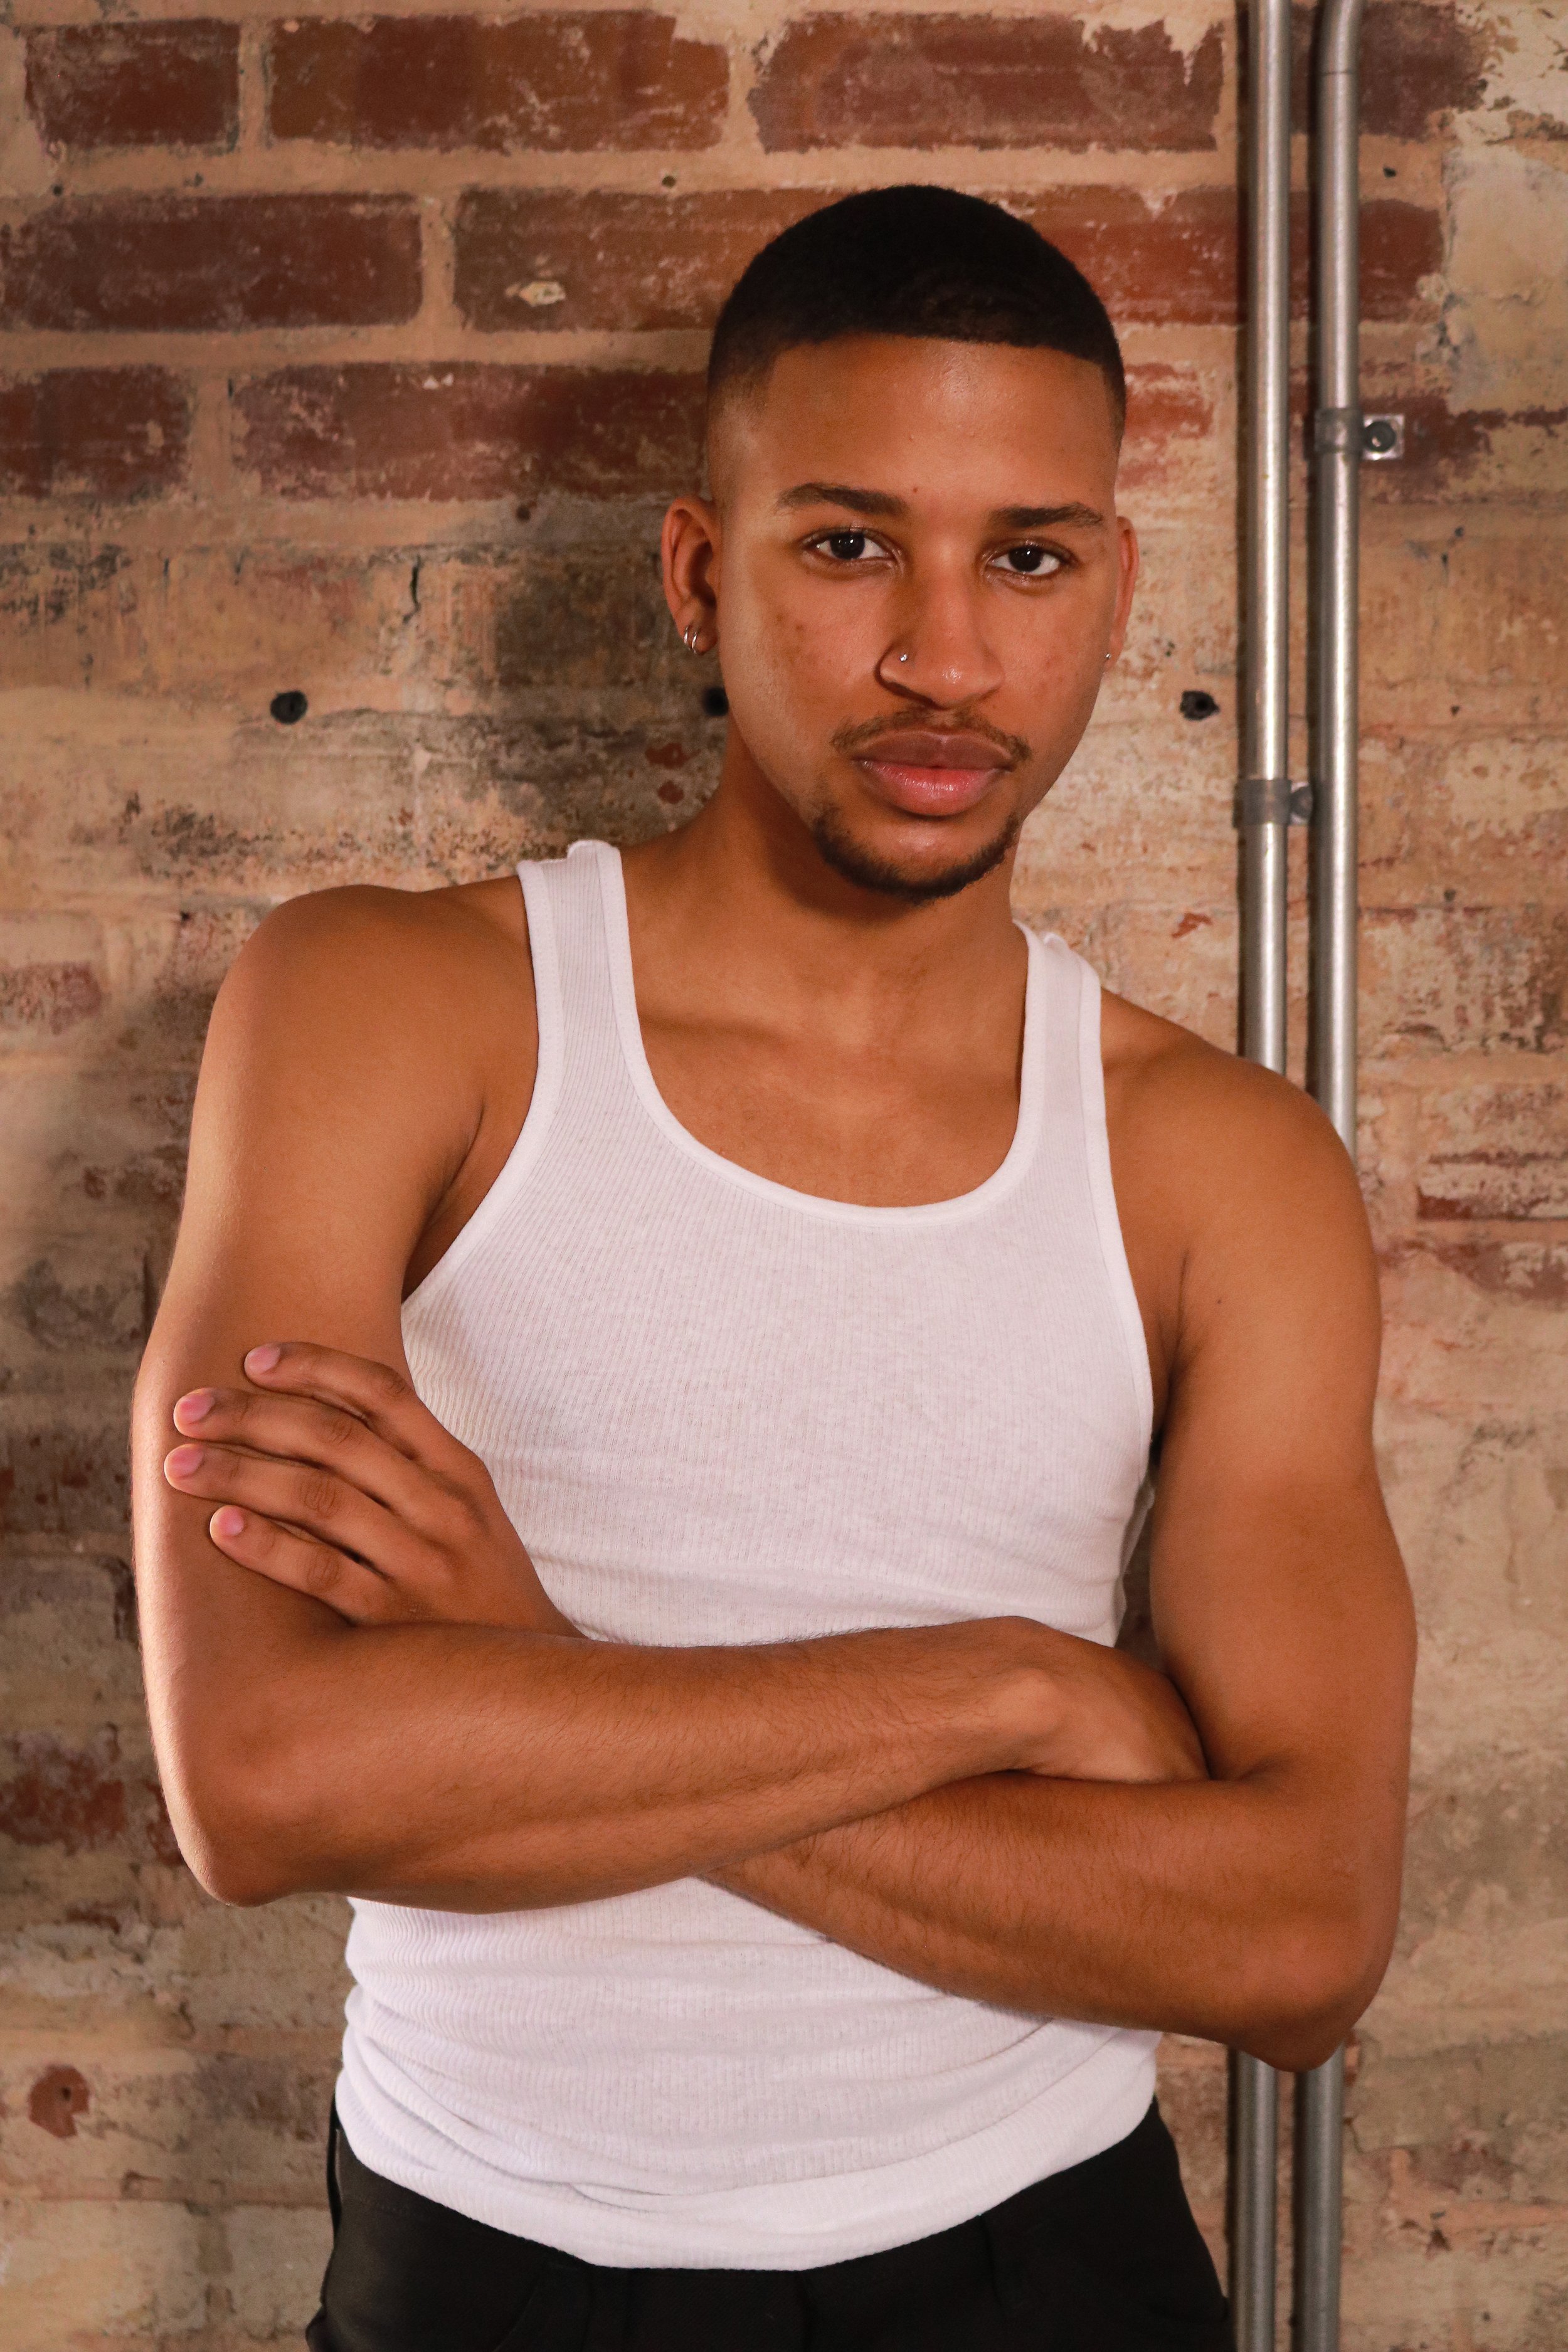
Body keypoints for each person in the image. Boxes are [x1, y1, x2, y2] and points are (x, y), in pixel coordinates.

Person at [131, 186, 1415, 2351]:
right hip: (495, 2264)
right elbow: (264, 1783)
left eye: (1027, 558)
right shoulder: (388, 1007)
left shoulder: (1222, 1165)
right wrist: (1011, 1691)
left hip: (1040, 2265)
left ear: (1112, 592)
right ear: (697, 570)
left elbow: (1296, 1941)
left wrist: (527, 1668)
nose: (945, 658)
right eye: (847, 548)